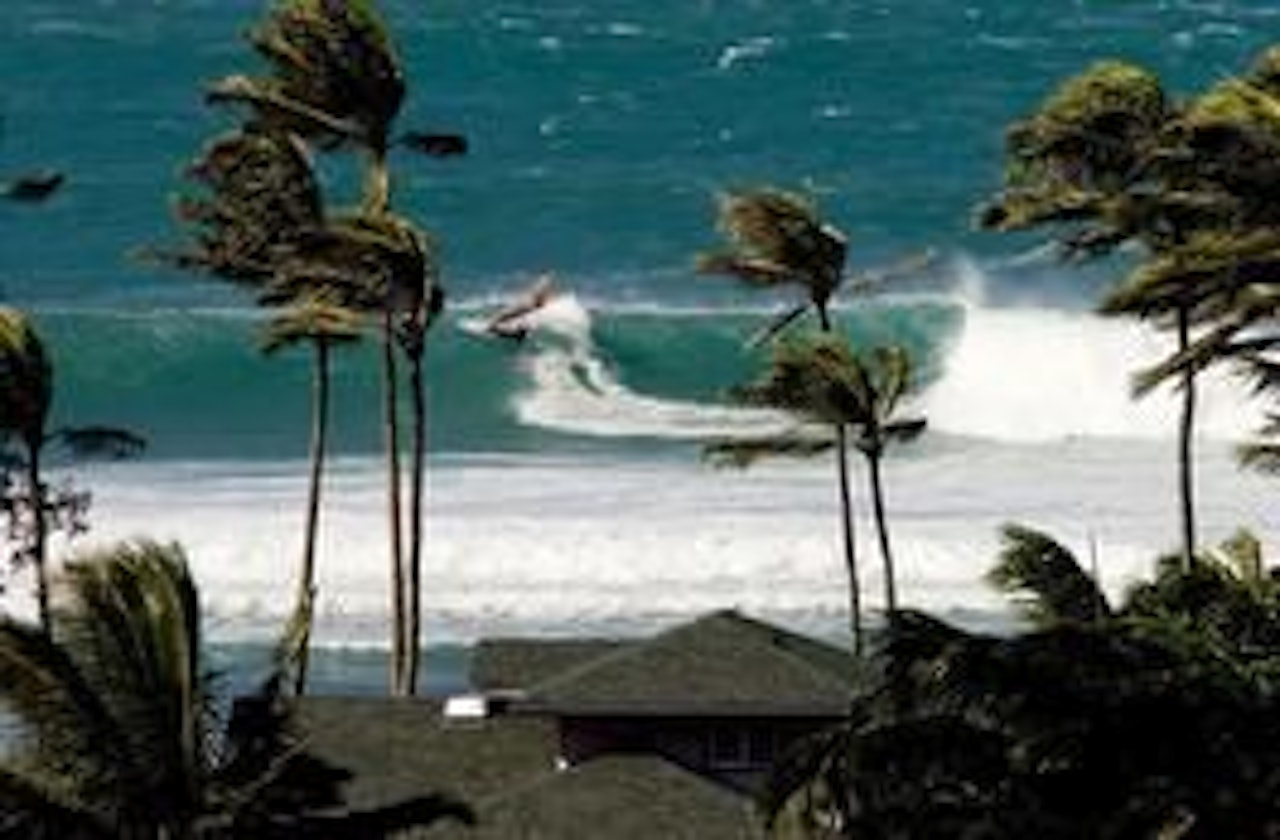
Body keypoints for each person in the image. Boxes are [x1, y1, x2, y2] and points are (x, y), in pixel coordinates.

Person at [485, 274, 559, 341]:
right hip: (525, 307)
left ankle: (500, 328)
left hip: (527, 309)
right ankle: (493, 327)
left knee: (521, 315)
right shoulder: (531, 303)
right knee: (511, 315)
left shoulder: (537, 303)